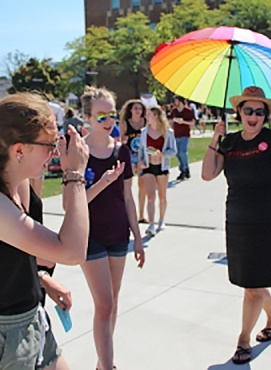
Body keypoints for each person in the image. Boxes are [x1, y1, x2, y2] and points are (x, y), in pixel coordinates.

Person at [0, 93, 89, 370]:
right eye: (49, 145)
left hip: (30, 318)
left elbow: (18, 251)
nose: (55, 153)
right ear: (18, 150)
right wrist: (75, 173)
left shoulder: (18, 184)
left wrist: (40, 278)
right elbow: (72, 251)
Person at [201, 86, 271, 365]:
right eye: (248, 110)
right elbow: (207, 174)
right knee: (251, 280)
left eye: (259, 112)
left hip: (266, 221)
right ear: (238, 112)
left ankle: (243, 341)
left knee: (252, 286)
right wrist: (215, 140)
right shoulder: (229, 142)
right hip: (237, 221)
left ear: (265, 115)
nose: (253, 116)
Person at [76, 86, 144, 370]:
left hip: (119, 234)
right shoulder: (78, 153)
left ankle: (103, 361)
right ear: (88, 118)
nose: (108, 120)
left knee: (112, 303)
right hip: (89, 236)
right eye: (100, 115)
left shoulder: (122, 151)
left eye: (111, 114)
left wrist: (138, 238)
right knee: (104, 304)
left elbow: (128, 197)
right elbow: (74, 204)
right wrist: (102, 182)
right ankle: (108, 366)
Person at [138, 106, 177, 236]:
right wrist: (140, 161)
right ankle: (151, 225)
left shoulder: (168, 132)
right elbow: (141, 150)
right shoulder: (144, 132)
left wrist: (163, 154)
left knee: (162, 196)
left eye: (148, 114)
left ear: (155, 116)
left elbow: (173, 151)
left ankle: (161, 219)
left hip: (162, 167)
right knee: (150, 197)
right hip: (149, 167)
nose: (146, 117)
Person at [119, 99, 148, 223]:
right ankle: (127, 214)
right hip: (129, 155)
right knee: (127, 187)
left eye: (140, 108)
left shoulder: (146, 123)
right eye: (135, 108)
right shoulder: (125, 123)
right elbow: (120, 141)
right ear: (130, 110)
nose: (138, 111)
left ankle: (141, 215)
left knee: (143, 186)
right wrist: (123, 141)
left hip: (143, 155)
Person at [170, 96, 194, 180]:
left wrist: (183, 121)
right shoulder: (174, 110)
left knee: (183, 152)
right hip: (176, 134)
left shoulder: (188, 111)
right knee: (177, 153)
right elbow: (171, 121)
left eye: (176, 100)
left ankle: (184, 169)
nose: (175, 102)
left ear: (180, 101)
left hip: (185, 134)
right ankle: (184, 169)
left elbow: (192, 122)